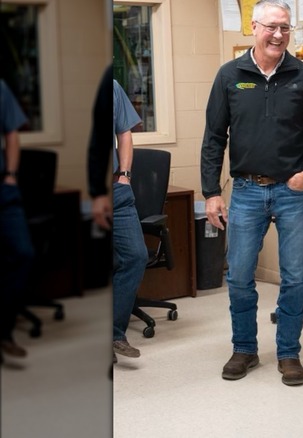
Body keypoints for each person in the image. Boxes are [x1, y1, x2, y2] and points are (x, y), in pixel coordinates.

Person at [200, 0, 303, 385]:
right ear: (254, 28)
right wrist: (212, 191)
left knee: (294, 277)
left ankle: (289, 353)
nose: (278, 35)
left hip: (293, 193)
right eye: (271, 27)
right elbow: (213, 137)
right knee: (240, 275)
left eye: (285, 28)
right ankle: (244, 348)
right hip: (245, 191)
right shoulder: (230, 75)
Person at [89, 66, 148, 363]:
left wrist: (124, 175)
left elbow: (124, 133)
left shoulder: (110, 86)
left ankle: (113, 333)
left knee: (135, 257)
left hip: (116, 189)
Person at [0, 78, 34, 364]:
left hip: (3, 190)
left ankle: (5, 332)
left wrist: (10, 175)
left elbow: (12, 132)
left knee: (23, 253)